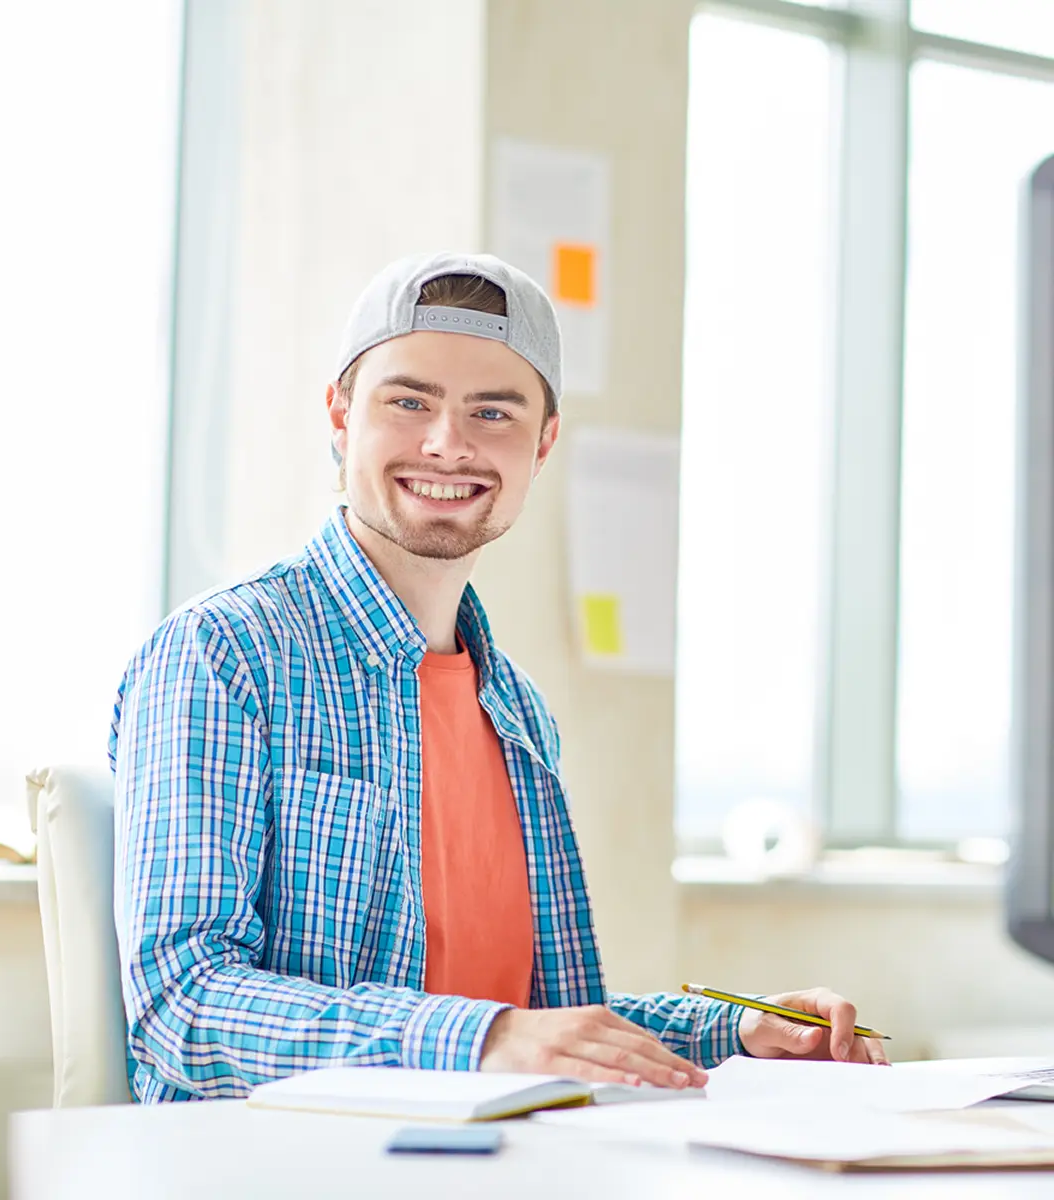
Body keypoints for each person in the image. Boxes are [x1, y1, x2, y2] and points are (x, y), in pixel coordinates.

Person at [109, 252, 889, 1103]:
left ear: (543, 444)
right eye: (409, 402)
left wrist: (736, 1031)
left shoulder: (513, 709)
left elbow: (535, 1019)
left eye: (493, 412)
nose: (448, 443)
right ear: (339, 415)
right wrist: (492, 1036)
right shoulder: (223, 655)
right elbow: (181, 1006)